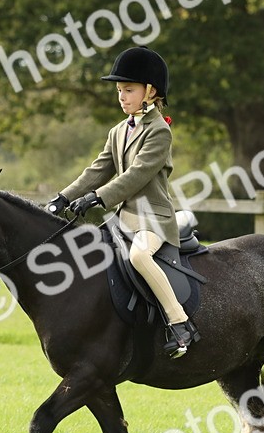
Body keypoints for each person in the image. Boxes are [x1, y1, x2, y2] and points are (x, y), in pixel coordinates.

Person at [47, 46, 200, 358]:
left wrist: (97, 198)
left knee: (140, 257)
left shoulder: (160, 130)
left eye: (128, 90)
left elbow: (137, 174)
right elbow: (97, 169)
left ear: (151, 91)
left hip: (153, 218)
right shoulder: (118, 131)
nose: (121, 96)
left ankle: (180, 323)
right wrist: (64, 197)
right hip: (123, 217)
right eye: (119, 90)